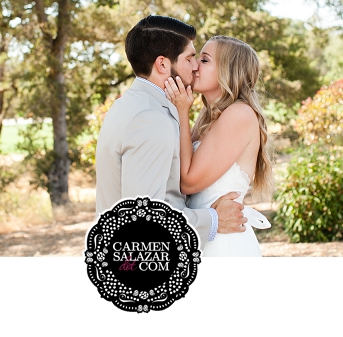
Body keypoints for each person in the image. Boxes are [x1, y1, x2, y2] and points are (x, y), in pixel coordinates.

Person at [95, 16, 248, 249]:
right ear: (163, 65)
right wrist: (214, 219)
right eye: (190, 58)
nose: (196, 66)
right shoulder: (152, 118)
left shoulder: (128, 105)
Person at [164, 35, 273, 256]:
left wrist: (182, 111)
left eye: (204, 60)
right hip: (205, 236)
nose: (194, 66)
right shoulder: (208, 116)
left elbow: (187, 181)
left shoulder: (239, 114)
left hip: (224, 245)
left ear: (228, 70)